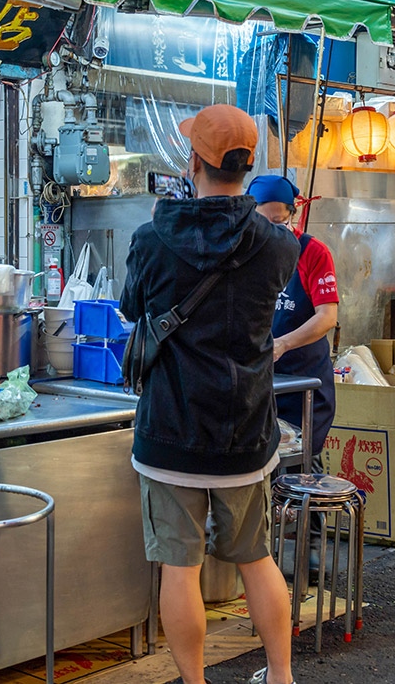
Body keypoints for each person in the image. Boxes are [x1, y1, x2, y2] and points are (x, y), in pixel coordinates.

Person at [120, 104, 301, 684]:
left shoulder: (152, 236)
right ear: (248, 166)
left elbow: (132, 310)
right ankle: (280, 676)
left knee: (180, 569)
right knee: (256, 559)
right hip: (246, 427)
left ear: (193, 160)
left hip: (170, 430)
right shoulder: (278, 245)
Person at [246, 174, 339, 456]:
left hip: (305, 382)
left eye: (279, 223)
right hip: (257, 383)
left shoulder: (313, 252)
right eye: (263, 222)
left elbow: (327, 316)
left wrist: (284, 344)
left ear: (292, 216)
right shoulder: (245, 253)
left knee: (301, 462)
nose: (271, 231)